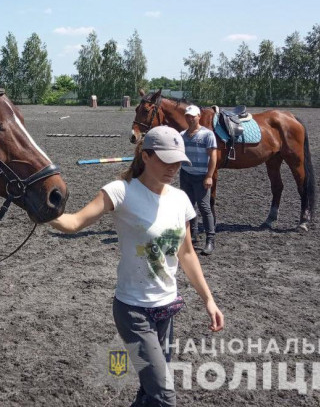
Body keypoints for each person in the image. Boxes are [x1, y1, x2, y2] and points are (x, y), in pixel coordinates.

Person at [49, 125, 224, 407]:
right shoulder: (121, 191)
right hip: (133, 311)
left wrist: (209, 300)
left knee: (148, 391)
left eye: (179, 161)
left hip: (167, 309)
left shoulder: (180, 200)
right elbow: (74, 223)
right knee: (165, 396)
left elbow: (187, 253)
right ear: (146, 156)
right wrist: (40, 209)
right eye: (167, 159)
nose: (174, 167)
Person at [179, 105, 218, 255]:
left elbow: (213, 156)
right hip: (186, 174)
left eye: (192, 116)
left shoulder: (207, 135)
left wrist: (209, 176)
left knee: (204, 207)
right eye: (187, 116)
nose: (190, 119)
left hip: (201, 176)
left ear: (199, 116)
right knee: (188, 206)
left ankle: (210, 239)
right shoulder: (182, 135)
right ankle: (193, 234)